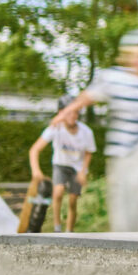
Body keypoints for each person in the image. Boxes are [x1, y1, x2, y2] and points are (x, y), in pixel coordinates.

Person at [52, 29, 138, 232]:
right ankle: (125, 237)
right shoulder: (113, 77)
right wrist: (67, 111)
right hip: (119, 153)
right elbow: (87, 97)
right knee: (121, 205)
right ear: (129, 55)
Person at [29, 95, 96, 232]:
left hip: (77, 167)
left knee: (72, 200)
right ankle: (57, 228)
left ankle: (69, 231)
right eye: (68, 112)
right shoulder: (55, 128)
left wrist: (83, 171)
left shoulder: (86, 132)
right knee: (58, 192)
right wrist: (36, 171)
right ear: (61, 113)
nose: (73, 115)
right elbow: (34, 150)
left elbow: (89, 153)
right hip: (60, 164)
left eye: (75, 112)